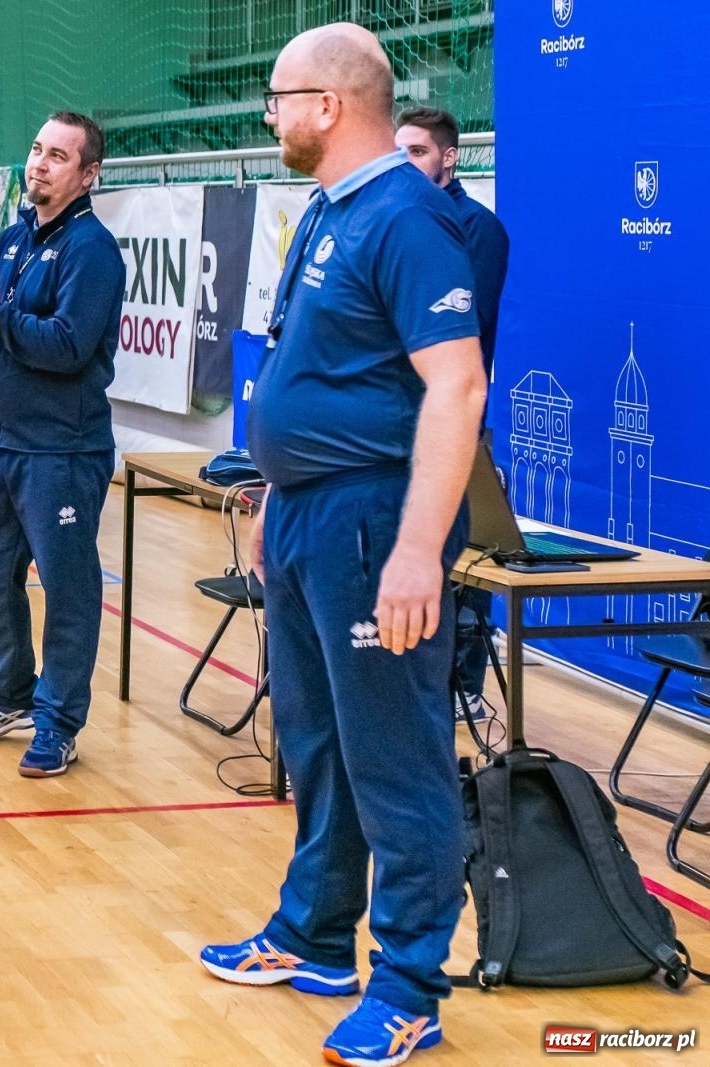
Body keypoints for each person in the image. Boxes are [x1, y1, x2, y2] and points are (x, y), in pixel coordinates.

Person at [197, 24, 486, 1067]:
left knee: (393, 754)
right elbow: (321, 378)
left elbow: (456, 385)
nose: (267, 116)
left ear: (326, 104)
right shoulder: (329, 210)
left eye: (276, 98)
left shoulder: (407, 220)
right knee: (315, 741)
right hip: (313, 511)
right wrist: (281, 487)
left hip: (377, 523)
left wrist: (417, 548)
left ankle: (409, 982)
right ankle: (315, 934)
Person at [0, 112, 123, 778]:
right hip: (3, 442)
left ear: (88, 174)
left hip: (63, 452)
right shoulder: (13, 239)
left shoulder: (92, 251)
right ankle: (11, 692)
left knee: (68, 588)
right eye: (37, 149)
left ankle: (59, 719)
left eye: (58, 156)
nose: (39, 163)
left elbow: (67, 346)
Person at [396, 105, 511, 724]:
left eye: (417, 152)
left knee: (459, 565)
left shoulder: (479, 230)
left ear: (449, 158)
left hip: (450, 421)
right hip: (390, 427)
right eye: (399, 152)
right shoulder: (398, 220)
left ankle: (462, 681)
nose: (407, 164)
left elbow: (468, 332)